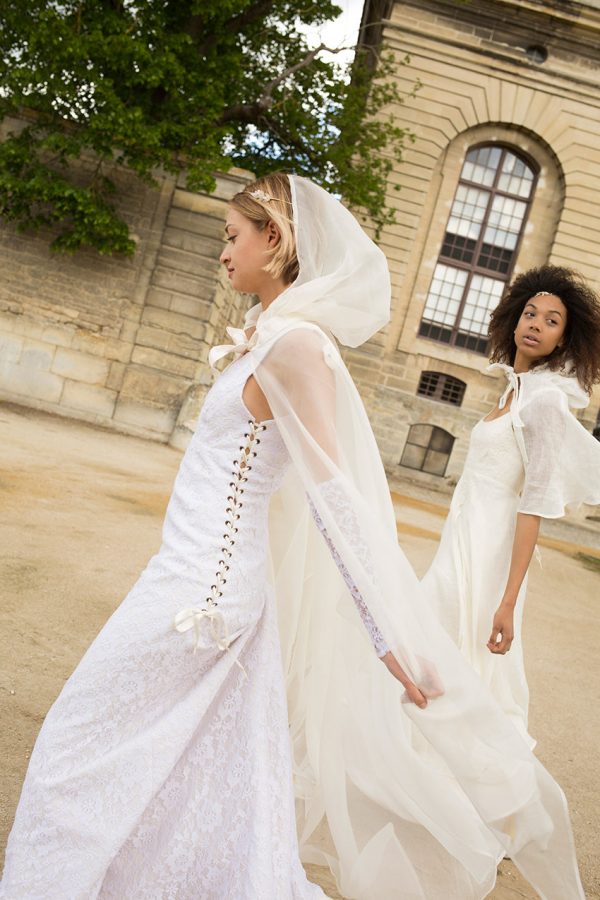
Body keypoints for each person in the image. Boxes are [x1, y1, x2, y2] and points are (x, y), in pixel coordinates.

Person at [0, 176, 586, 900]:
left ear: (273, 239)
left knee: (75, 746)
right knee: (196, 776)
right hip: (190, 576)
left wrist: (389, 639)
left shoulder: (299, 347)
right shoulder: (270, 336)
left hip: (203, 597)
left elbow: (335, 499)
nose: (224, 251)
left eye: (232, 236)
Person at [421, 266, 600, 745]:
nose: (536, 324)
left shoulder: (545, 402)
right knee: (436, 644)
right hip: (461, 536)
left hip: (490, 551)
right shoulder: (512, 390)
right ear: (513, 320)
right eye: (530, 313)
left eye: (552, 320)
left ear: (564, 340)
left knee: (448, 645)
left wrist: (508, 601)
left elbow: (532, 505)